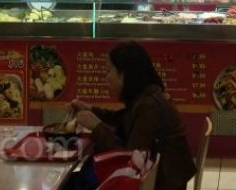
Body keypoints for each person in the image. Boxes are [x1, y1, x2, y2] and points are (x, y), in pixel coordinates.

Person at [70, 41, 196, 190]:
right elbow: (122, 119)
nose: (106, 77)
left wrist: (97, 127)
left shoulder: (150, 106)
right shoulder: (146, 97)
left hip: (161, 184)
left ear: (125, 74)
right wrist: (91, 110)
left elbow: (129, 158)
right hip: (160, 179)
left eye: (109, 70)